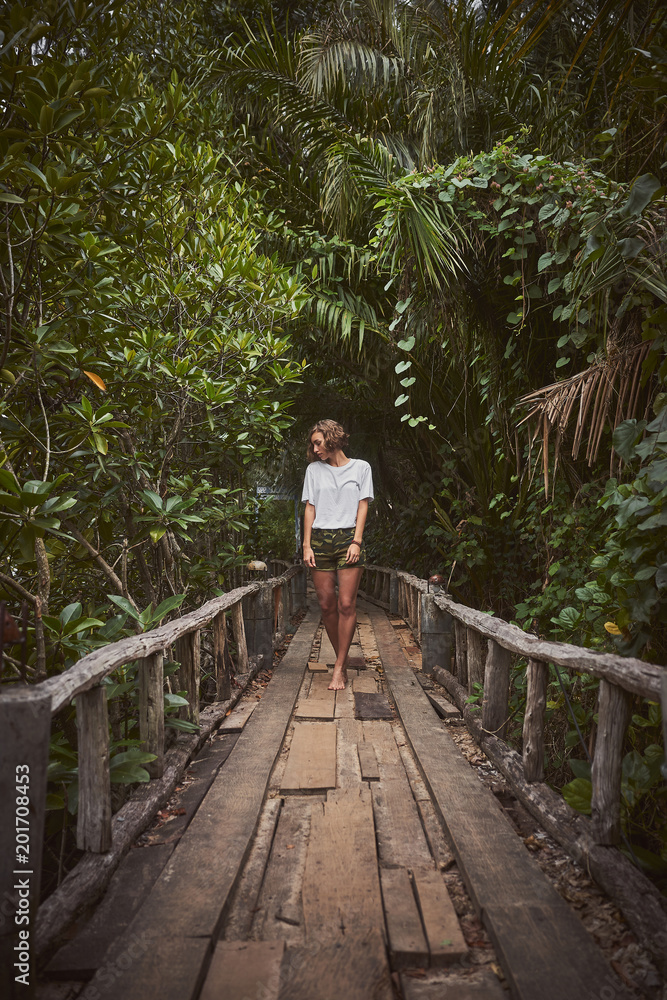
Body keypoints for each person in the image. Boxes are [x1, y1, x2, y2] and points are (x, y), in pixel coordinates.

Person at [301, 419, 374, 690]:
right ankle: (341, 659)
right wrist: (307, 545)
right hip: (320, 539)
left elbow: (362, 505)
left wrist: (357, 541)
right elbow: (310, 507)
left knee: (346, 604)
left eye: (318, 442)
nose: (315, 448)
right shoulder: (313, 470)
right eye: (313, 444)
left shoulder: (361, 467)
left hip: (348, 538)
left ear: (332, 439)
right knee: (326, 605)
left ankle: (339, 668)